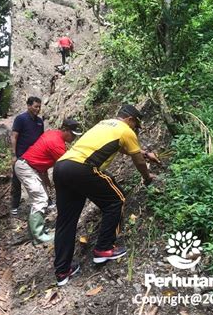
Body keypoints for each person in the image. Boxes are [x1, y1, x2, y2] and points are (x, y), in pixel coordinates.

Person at [53, 104, 161, 286]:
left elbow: (123, 148)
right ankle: (104, 249)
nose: (135, 129)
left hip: (62, 167)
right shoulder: (126, 131)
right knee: (115, 200)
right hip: (82, 168)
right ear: (130, 120)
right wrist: (147, 177)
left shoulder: (104, 124)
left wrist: (144, 153)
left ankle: (63, 271)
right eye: (136, 125)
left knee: (66, 221)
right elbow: (138, 161)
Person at [14, 119, 82, 244]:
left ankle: (35, 234)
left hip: (32, 168)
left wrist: (46, 181)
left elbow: (43, 158)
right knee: (40, 199)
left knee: (40, 199)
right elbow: (68, 164)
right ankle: (39, 237)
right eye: (72, 135)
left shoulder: (53, 134)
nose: (73, 138)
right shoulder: (56, 143)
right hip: (27, 168)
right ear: (65, 130)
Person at [10, 96, 44, 215]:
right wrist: (14, 155)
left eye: (39, 107)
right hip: (20, 155)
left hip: (34, 156)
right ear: (28, 106)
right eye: (35, 106)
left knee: (38, 178)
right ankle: (14, 206)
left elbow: (41, 139)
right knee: (16, 181)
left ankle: (41, 202)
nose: (38, 109)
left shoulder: (40, 121)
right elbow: (14, 136)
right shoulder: (20, 119)